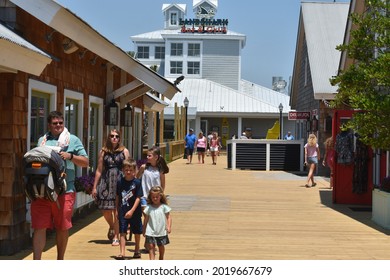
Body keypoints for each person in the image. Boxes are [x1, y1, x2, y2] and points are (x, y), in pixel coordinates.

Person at [31, 111, 89, 260]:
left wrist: (70, 156)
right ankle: (36, 262)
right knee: (39, 227)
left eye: (61, 123)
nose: (58, 126)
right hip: (42, 191)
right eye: (55, 123)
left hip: (64, 191)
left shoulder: (73, 140)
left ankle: (60, 260)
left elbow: (85, 161)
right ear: (49, 125)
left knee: (62, 227)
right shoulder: (42, 141)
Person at [91, 129, 130, 246]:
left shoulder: (124, 151)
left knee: (117, 210)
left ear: (119, 138)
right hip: (106, 181)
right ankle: (112, 226)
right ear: (108, 137)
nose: (114, 138)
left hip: (120, 181)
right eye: (112, 136)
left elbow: (129, 167)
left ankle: (116, 237)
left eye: (117, 136)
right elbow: (99, 170)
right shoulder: (103, 152)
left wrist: (131, 183)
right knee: (105, 209)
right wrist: (94, 187)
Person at [115, 159, 143, 259]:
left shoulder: (137, 182)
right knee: (122, 231)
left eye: (130, 170)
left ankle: (137, 249)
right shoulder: (120, 182)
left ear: (134, 170)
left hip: (135, 211)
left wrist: (132, 211)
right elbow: (118, 196)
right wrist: (117, 210)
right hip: (123, 209)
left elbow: (138, 197)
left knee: (137, 231)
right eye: (126, 170)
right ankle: (122, 252)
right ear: (123, 170)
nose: (128, 172)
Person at [142, 186, 172, 260]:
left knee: (161, 246)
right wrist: (144, 229)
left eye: (157, 197)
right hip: (150, 230)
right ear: (150, 197)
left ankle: (161, 257)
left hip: (161, 230)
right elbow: (146, 219)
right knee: (151, 246)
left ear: (160, 197)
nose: (155, 199)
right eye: (153, 197)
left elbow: (168, 217)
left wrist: (168, 226)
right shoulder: (148, 208)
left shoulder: (164, 207)